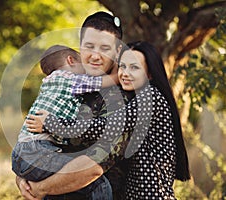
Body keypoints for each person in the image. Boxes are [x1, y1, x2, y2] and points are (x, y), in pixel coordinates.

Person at [25, 41, 191, 199]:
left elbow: (107, 127)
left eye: (134, 67)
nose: (125, 73)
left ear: (149, 73)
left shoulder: (151, 98)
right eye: (123, 66)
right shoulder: (135, 98)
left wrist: (50, 123)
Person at [16, 11, 129, 200]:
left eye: (104, 48)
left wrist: (40, 188)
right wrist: (23, 178)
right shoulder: (68, 86)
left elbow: (92, 168)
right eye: (89, 46)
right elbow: (31, 140)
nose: (95, 55)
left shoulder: (119, 100)